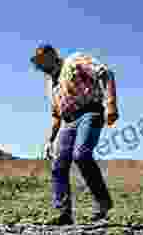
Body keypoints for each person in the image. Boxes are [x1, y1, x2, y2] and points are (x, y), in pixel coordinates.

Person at [31, 44, 118, 225]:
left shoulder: (74, 61)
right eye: (37, 63)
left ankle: (102, 203)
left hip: (90, 112)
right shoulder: (50, 84)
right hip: (67, 121)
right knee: (58, 165)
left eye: (41, 61)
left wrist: (110, 104)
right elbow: (56, 114)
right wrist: (50, 140)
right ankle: (64, 214)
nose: (39, 66)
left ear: (52, 55)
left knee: (81, 155)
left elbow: (105, 73)